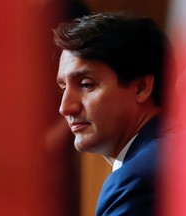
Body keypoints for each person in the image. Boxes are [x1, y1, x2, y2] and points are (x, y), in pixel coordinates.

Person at [53, 11, 173, 216]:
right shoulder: (176, 151)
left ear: (141, 87)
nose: (65, 107)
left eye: (85, 85)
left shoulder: (135, 181)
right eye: (63, 88)